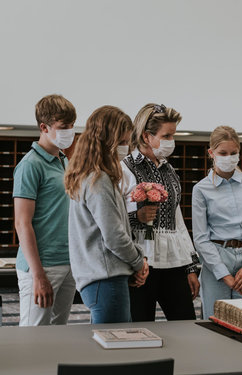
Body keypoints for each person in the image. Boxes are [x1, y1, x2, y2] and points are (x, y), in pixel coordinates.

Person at [65, 105, 148, 324]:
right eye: (121, 142)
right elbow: (114, 237)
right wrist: (139, 262)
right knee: (116, 349)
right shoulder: (98, 180)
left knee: (109, 347)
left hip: (103, 276)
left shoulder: (90, 176)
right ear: (106, 141)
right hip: (105, 279)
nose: (125, 148)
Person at [121, 103, 200, 321]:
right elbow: (112, 221)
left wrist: (190, 268)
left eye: (173, 135)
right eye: (166, 136)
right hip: (140, 264)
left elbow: (178, 220)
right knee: (139, 327)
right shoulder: (124, 169)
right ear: (147, 136)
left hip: (174, 263)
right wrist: (136, 217)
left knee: (186, 324)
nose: (171, 141)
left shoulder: (170, 170)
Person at [192, 125, 242, 319]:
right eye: (223, 153)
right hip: (216, 260)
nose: (229, 157)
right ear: (211, 153)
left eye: (233, 153)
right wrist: (224, 275)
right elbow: (200, 238)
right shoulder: (201, 189)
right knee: (217, 321)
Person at [13, 94, 77, 326]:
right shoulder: (30, 165)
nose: (69, 131)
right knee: (33, 335)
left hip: (68, 262)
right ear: (44, 127)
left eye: (71, 125)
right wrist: (38, 275)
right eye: (63, 127)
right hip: (42, 265)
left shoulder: (64, 161)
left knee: (57, 334)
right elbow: (22, 223)